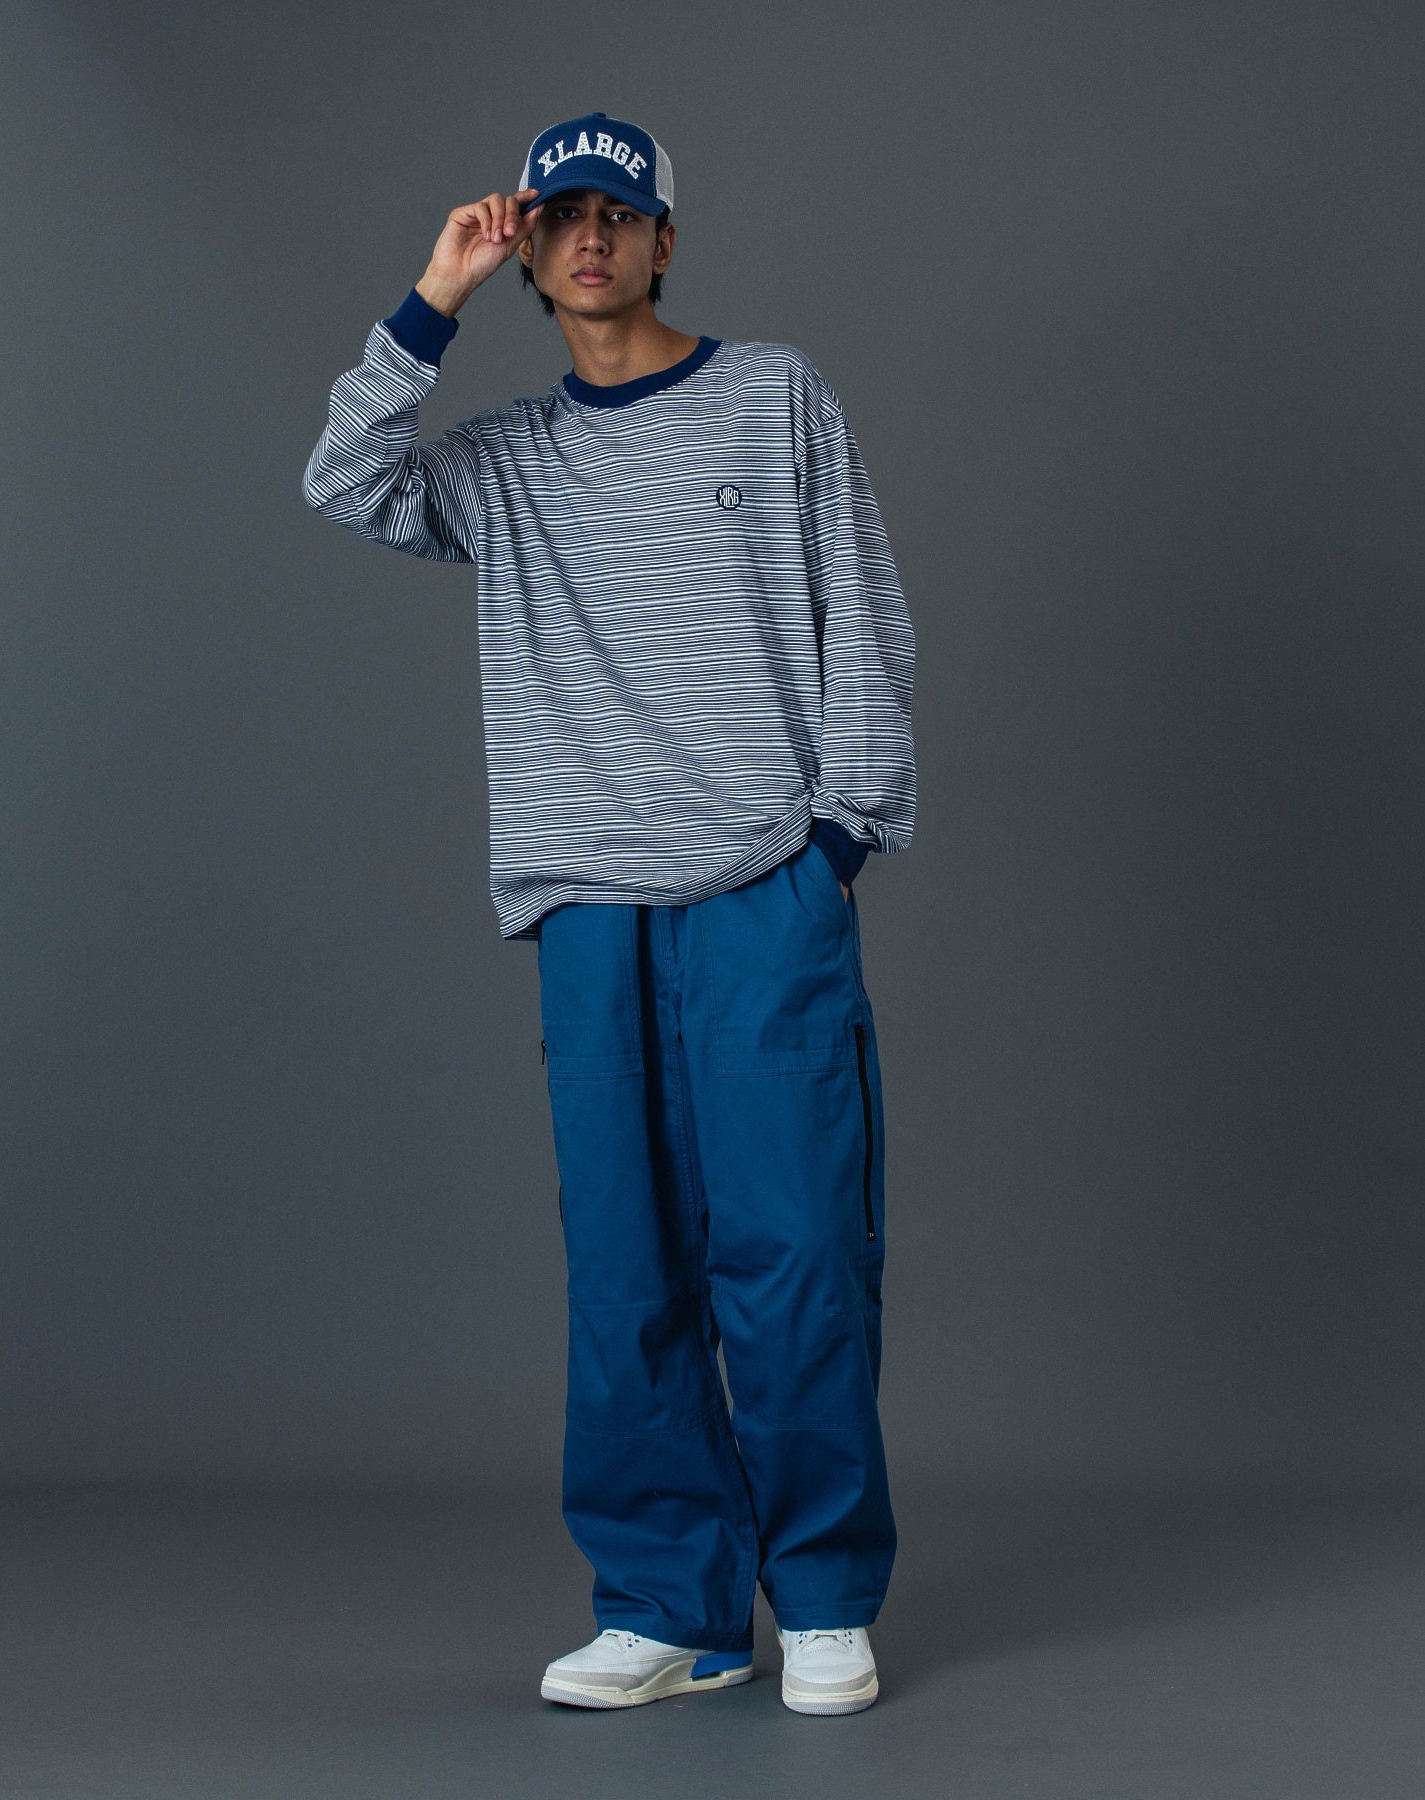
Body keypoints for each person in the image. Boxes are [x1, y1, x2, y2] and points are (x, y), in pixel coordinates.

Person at [302, 111, 916, 1717]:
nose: (590, 237)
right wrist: (432, 296)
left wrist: (838, 841)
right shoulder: (505, 462)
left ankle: (824, 1597)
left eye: (617, 214)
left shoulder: (773, 396)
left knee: (795, 1252)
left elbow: (863, 609)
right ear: (529, 248)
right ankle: (671, 1607)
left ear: (661, 241)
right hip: (587, 901)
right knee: (627, 1273)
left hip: (760, 887)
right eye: (560, 215)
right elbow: (343, 479)